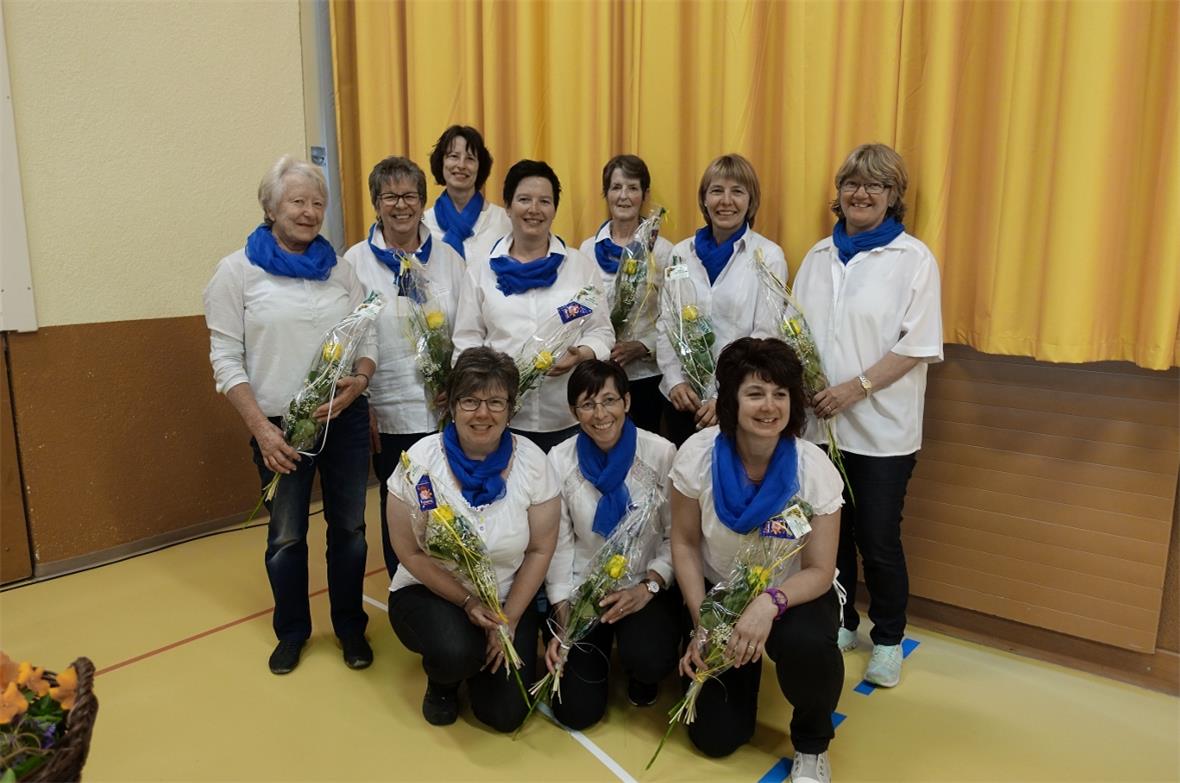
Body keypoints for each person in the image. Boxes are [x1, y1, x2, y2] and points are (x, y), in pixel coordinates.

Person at [203, 155, 376, 675]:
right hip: (278, 428)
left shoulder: (340, 268)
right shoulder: (237, 272)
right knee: (286, 536)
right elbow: (225, 359)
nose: (309, 212)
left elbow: (367, 338)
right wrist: (261, 429)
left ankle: (350, 628)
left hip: (343, 420)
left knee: (350, 528)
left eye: (317, 203)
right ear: (271, 207)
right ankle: (293, 631)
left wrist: (360, 382)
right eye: (297, 201)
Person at [792, 143, 942, 689]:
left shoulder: (914, 260)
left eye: (875, 186)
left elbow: (917, 345)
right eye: (853, 184)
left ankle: (888, 639)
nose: (860, 194)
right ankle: (841, 621)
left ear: (893, 197)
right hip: (819, 428)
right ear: (839, 194)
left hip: (882, 432)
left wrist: (854, 390)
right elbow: (797, 333)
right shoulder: (815, 257)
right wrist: (807, 385)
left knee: (878, 539)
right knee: (830, 535)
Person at [670, 338, 844, 783]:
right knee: (715, 740)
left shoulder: (813, 469)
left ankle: (811, 745)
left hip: (790, 595)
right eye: (755, 393)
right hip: (720, 597)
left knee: (810, 648)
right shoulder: (696, 455)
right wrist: (703, 621)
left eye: (780, 394)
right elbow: (686, 545)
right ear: (730, 400)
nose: (769, 406)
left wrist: (768, 604)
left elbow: (820, 572)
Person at [386, 347, 560, 731]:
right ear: (451, 405)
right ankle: (443, 681)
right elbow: (409, 551)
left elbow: (539, 548)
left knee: (505, 716)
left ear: (511, 408)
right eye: (470, 401)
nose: (483, 414)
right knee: (454, 652)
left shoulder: (533, 462)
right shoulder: (419, 462)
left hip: (507, 598)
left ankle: (481, 655)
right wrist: (466, 601)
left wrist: (508, 619)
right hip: (433, 592)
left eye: (496, 402)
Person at [344, 156, 465, 578]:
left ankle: (453, 588)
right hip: (388, 413)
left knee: (447, 504)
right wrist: (366, 404)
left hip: (446, 409)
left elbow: (466, 329)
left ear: (422, 201)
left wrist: (461, 388)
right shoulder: (354, 263)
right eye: (389, 196)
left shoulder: (449, 259)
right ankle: (406, 591)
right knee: (399, 504)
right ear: (376, 204)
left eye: (409, 195)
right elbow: (351, 338)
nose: (400, 205)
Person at [543, 360, 680, 729]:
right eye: (587, 404)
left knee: (650, 658)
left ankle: (640, 670)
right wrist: (563, 608)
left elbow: (675, 536)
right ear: (574, 411)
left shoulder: (661, 453)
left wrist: (650, 585)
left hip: (641, 586)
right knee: (577, 712)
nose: (600, 414)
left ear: (628, 402)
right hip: (585, 589)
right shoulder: (559, 458)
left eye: (609, 401)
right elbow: (558, 542)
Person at [452, 159, 615, 453]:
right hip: (500, 419)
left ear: (554, 209)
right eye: (524, 199)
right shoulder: (480, 270)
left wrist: (582, 354)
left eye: (545, 201)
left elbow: (602, 332)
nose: (534, 209)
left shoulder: (579, 267)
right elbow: (466, 341)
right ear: (508, 206)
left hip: (569, 414)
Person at [656, 153, 787, 447]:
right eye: (717, 190)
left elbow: (764, 337)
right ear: (704, 199)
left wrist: (722, 395)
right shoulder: (680, 254)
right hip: (681, 402)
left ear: (751, 201)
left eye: (737, 191)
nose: (726, 200)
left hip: (736, 403)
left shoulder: (769, 256)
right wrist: (675, 380)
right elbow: (667, 323)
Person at [578, 155, 675, 433]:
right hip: (597, 373)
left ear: (644, 195)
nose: (624, 196)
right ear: (605, 193)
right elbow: (582, 308)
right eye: (616, 187)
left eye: (632, 188)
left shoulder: (664, 251)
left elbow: (675, 317)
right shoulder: (586, 250)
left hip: (645, 377)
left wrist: (644, 345)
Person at [423, 125, 512, 264]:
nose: (461, 165)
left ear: (480, 166)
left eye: (470, 158)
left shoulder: (504, 222)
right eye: (453, 156)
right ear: (441, 162)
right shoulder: (423, 224)